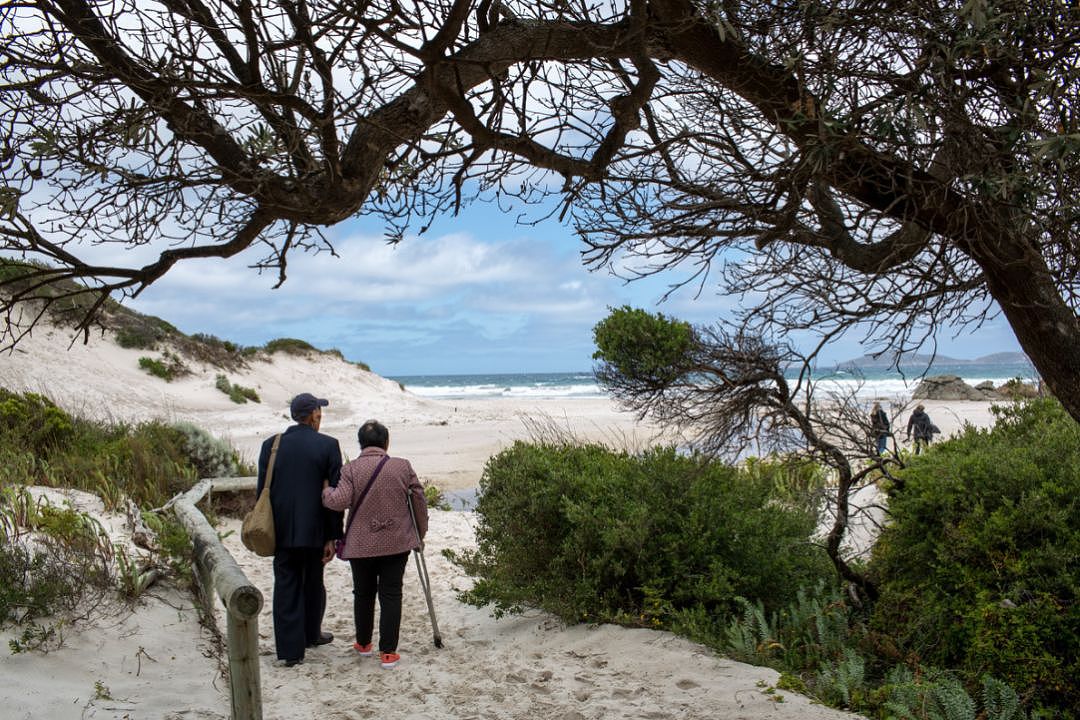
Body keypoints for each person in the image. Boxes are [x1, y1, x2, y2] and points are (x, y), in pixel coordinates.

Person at [322, 419, 428, 670]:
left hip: (361, 544)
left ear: (361, 444)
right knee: (391, 593)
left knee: (363, 592)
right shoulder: (402, 467)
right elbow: (419, 502)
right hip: (397, 541)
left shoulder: (350, 470)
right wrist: (419, 534)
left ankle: (363, 644)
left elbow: (338, 501)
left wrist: (325, 491)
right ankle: (389, 653)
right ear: (386, 442)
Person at [257, 392, 344, 667]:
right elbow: (333, 497)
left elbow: (263, 491)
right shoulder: (329, 445)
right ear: (314, 416)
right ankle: (311, 634)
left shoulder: (271, 445)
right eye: (320, 412)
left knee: (285, 585)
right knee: (314, 582)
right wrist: (333, 536)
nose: (321, 417)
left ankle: (291, 650)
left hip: (281, 528)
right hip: (315, 529)